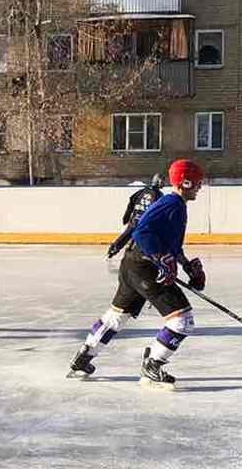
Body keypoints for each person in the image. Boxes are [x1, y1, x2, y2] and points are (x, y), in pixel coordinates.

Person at [69, 158, 207, 390]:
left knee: (116, 317)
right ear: (184, 183)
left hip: (132, 264)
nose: (200, 187)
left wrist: (183, 263)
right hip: (144, 267)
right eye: (197, 183)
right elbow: (142, 231)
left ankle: (83, 358)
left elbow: (169, 243)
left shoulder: (175, 204)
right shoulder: (173, 204)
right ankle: (153, 366)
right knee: (182, 321)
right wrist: (161, 259)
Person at [105, 173, 165, 259]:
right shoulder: (159, 195)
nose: (163, 183)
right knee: (142, 236)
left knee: (126, 235)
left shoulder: (142, 191)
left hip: (135, 219)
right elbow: (158, 210)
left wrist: (127, 216)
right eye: (162, 181)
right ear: (158, 181)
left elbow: (131, 201)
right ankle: (139, 253)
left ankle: (112, 250)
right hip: (145, 222)